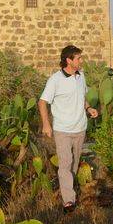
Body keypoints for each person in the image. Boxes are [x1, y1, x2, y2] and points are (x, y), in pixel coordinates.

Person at [38, 45, 98, 213]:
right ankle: (69, 201)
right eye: (78, 58)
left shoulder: (81, 76)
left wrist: (89, 108)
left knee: (74, 163)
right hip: (62, 130)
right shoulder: (55, 80)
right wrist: (46, 124)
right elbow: (42, 102)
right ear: (68, 60)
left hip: (80, 128)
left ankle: (69, 189)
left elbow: (82, 98)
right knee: (65, 163)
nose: (81, 61)